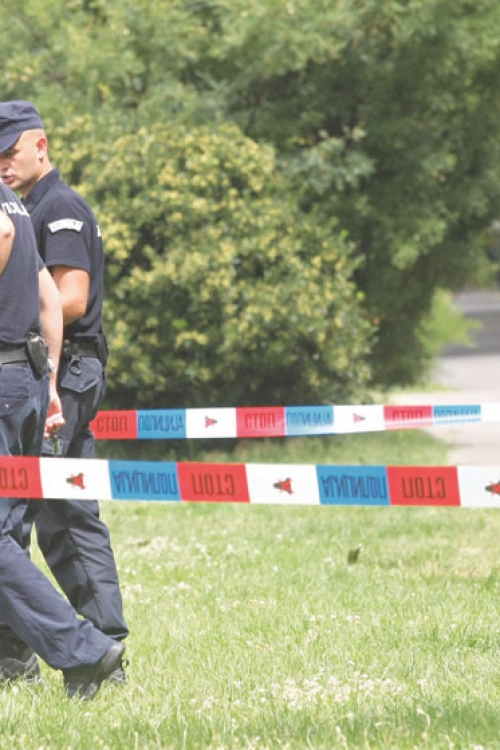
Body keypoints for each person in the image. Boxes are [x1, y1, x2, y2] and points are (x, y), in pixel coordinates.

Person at [0, 101, 129, 682]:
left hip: (62, 368)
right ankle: (18, 655)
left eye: (11, 152)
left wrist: (24, 336)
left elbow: (69, 297)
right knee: (19, 520)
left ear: (41, 145)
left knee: (63, 518)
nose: (4, 164)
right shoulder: (25, 207)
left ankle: (100, 650)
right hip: (47, 369)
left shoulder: (60, 207)